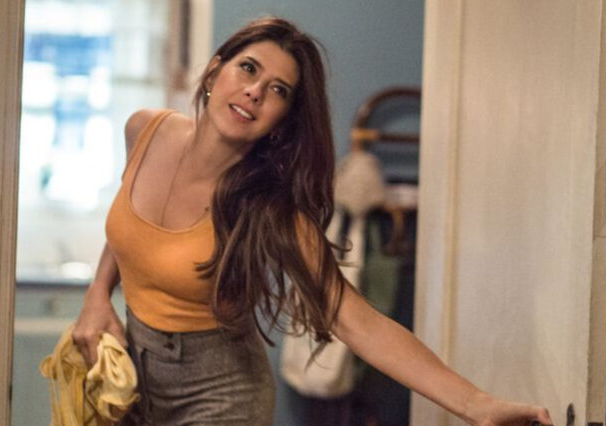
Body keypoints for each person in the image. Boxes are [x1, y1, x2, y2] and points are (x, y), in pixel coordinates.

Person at [72, 16, 555, 426]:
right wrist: (97, 295)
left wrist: (476, 405)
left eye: (277, 90)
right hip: (131, 372)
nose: (255, 92)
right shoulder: (145, 130)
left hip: (219, 394)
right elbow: (130, 224)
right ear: (216, 70)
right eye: (248, 68)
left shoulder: (270, 209)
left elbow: (356, 321)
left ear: (282, 119)